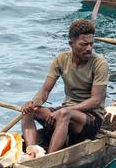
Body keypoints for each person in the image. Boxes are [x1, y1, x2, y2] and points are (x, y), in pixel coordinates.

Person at [20, 19, 108, 154]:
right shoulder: (61, 59)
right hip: (66, 113)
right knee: (28, 111)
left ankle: (48, 158)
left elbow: (95, 100)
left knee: (64, 113)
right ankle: (32, 153)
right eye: (84, 44)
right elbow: (45, 90)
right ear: (71, 44)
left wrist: (65, 111)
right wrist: (34, 103)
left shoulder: (99, 63)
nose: (89, 48)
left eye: (91, 44)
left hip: (91, 119)